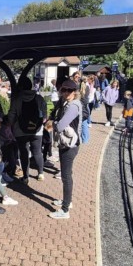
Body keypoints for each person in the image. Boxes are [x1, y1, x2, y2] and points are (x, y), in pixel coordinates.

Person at [50, 79, 82, 219]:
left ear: (75, 92)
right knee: (66, 175)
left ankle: (65, 210)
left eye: (70, 90)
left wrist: (54, 122)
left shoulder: (73, 106)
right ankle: (67, 201)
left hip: (70, 145)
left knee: (66, 176)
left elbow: (60, 126)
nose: (66, 93)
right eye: (64, 90)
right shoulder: (66, 103)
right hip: (67, 144)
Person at [7, 76, 46, 183]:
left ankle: (26, 177)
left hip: (20, 130)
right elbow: (44, 115)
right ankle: (41, 173)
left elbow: (11, 115)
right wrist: (38, 124)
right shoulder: (39, 98)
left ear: (20, 87)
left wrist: (10, 125)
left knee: (24, 153)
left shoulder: (17, 99)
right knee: (37, 152)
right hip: (37, 130)